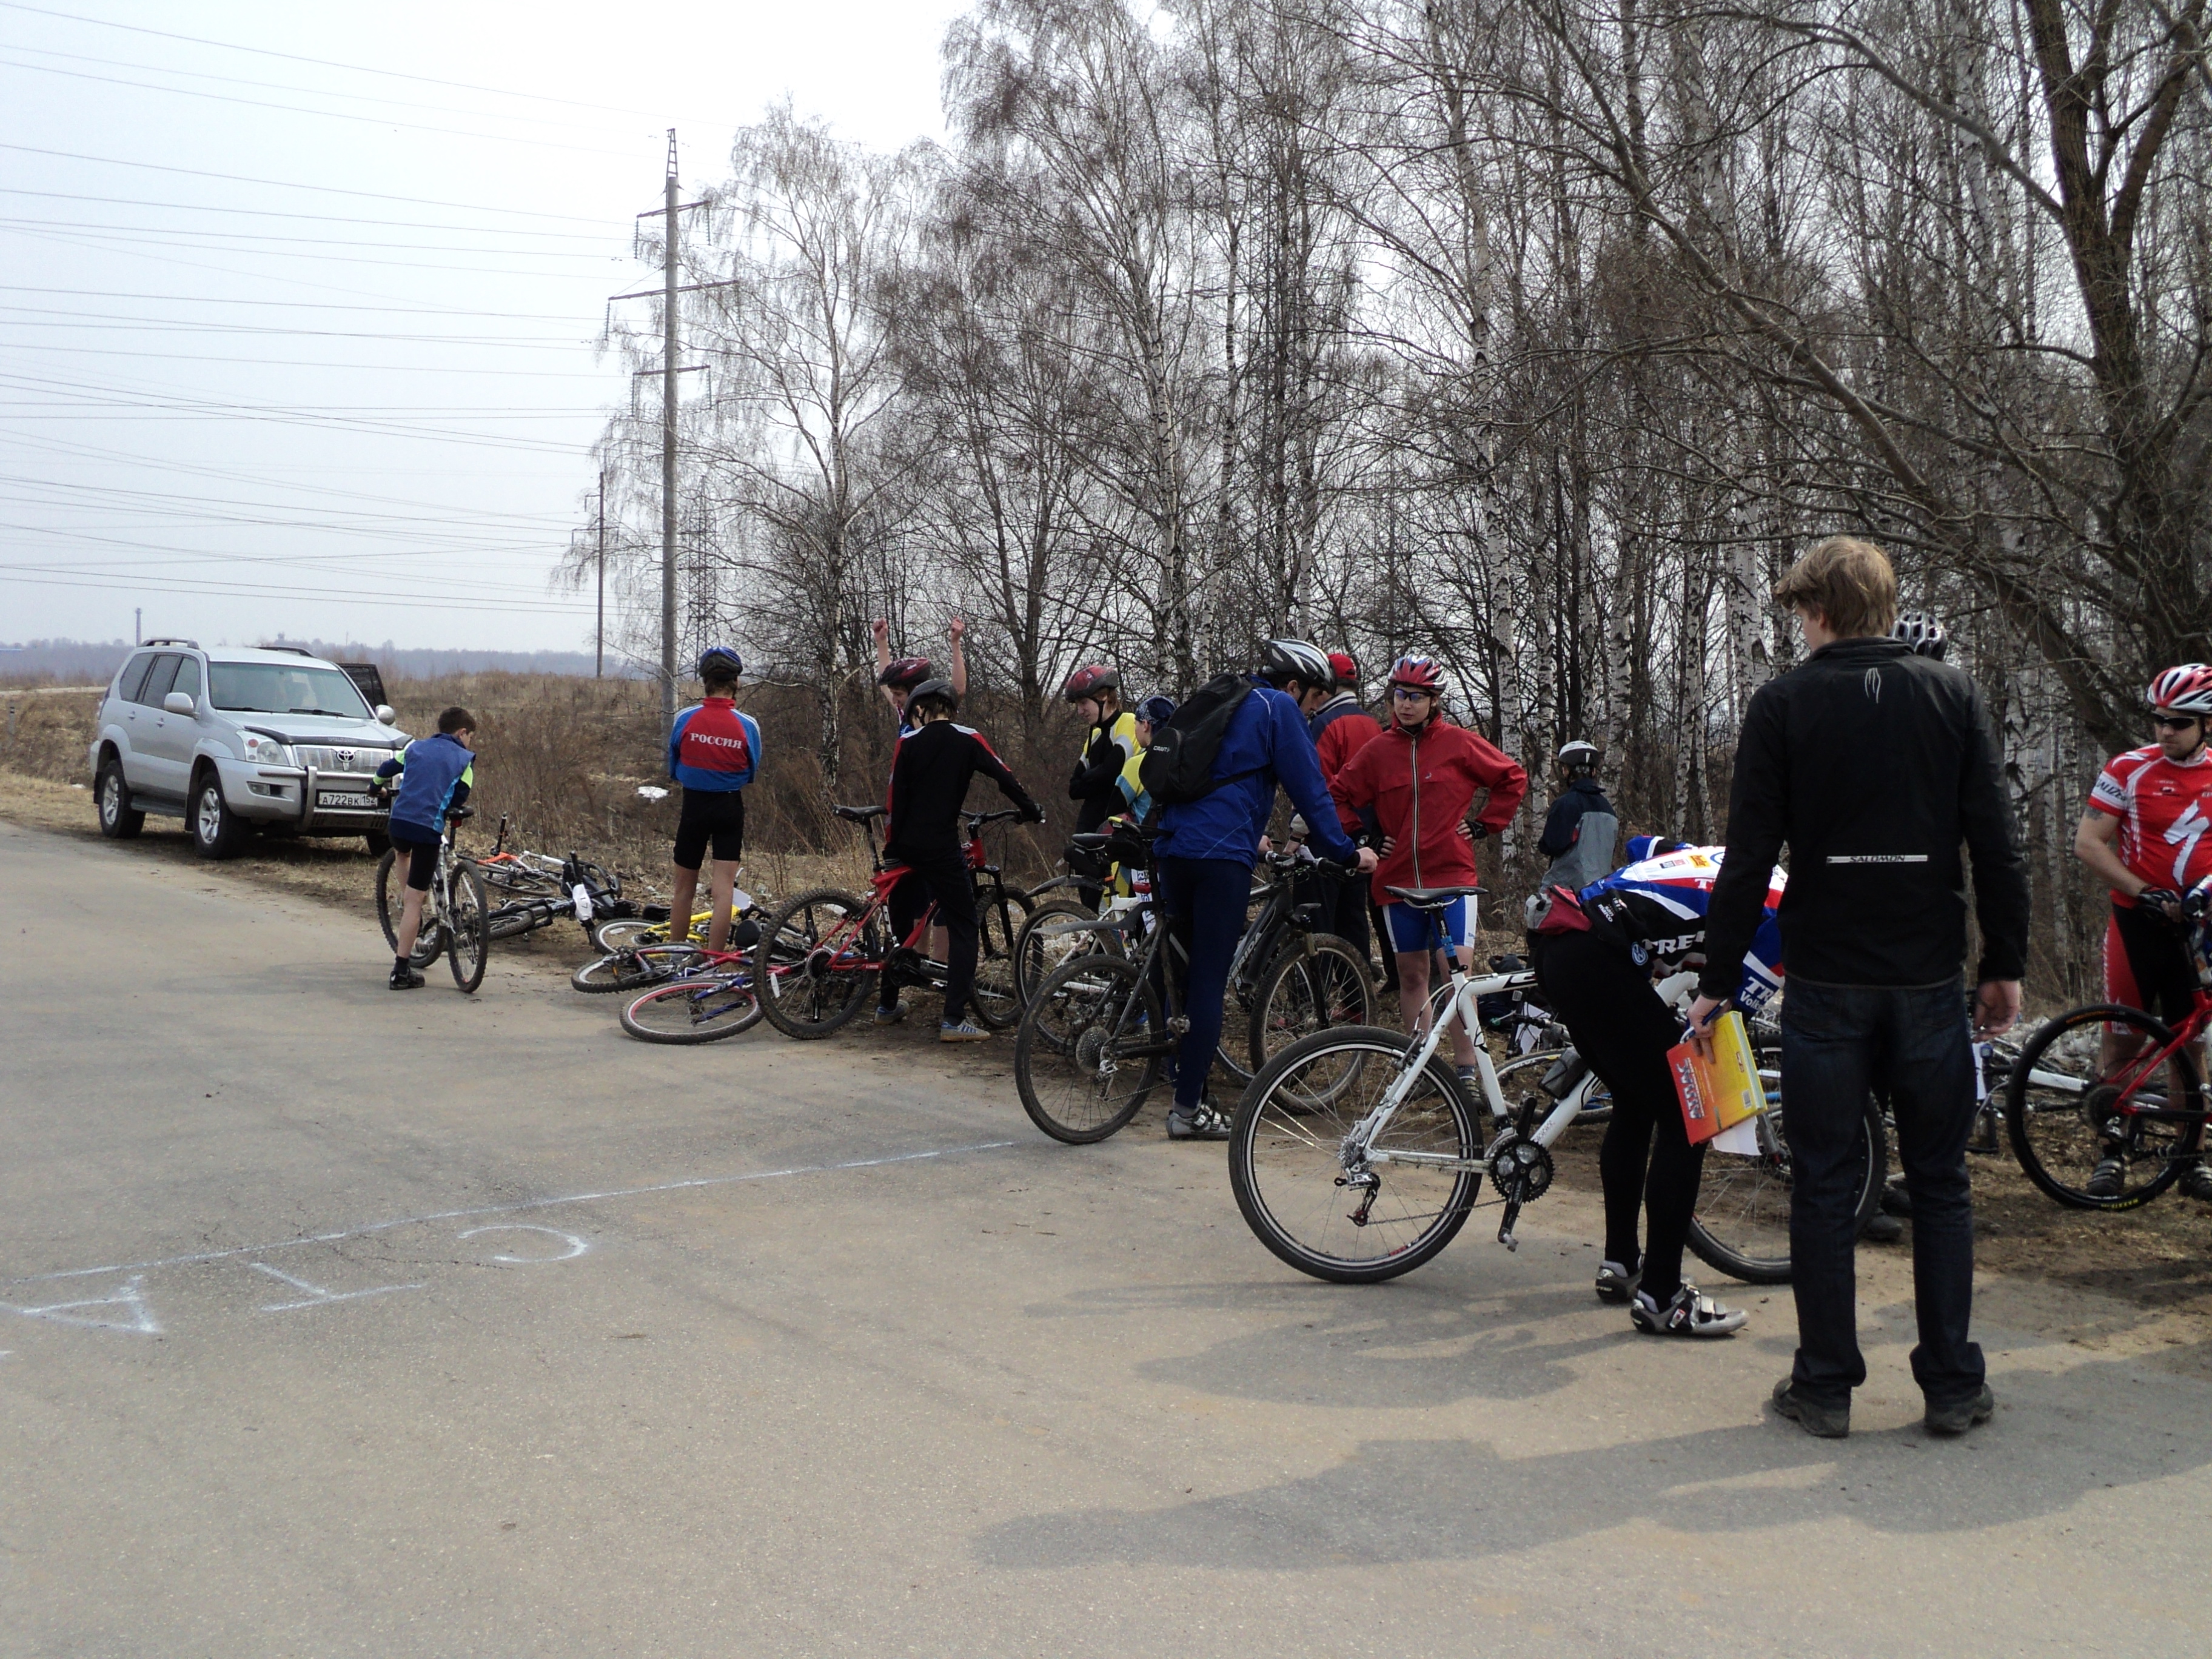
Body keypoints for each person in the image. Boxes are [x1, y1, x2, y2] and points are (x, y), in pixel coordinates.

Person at [1691, 535, 2028, 1440]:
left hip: (1829, 979)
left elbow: (1747, 858)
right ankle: (1952, 1385)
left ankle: (1826, 1386)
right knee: (1942, 1182)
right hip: (1927, 974)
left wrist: (1716, 979)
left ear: (1820, 612)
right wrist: (2003, 963)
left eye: (1802, 612)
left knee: (1825, 1183)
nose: (1800, 627)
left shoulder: (1783, 703)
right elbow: (1996, 845)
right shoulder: (1951, 694)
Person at [1536, 843, 1784, 1336]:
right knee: (1687, 1113)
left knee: (1635, 1103)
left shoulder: (1749, 867)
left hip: (1562, 941)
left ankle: (1621, 1264)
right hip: (1596, 957)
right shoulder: (1789, 916)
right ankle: (1663, 1299)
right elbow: (1723, 1016)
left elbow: (1645, 847)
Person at [1150, 638, 1376, 1138]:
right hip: (1219, 857)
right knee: (1209, 978)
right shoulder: (1277, 707)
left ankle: (1176, 1074)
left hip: (1173, 846)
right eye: (1314, 700)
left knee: (1181, 969)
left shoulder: (1223, 697)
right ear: (1294, 686)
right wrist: (1345, 853)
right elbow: (1311, 791)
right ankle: (1187, 1112)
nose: (1313, 711)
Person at [1329, 655, 1527, 1085]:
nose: (1406, 704)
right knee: (1412, 974)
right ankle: (1419, 1069)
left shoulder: (1460, 743)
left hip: (1452, 876)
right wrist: (1361, 837)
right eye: (1399, 695)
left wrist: (1484, 824)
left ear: (1434, 701)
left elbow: (1512, 778)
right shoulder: (1378, 750)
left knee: (1457, 974)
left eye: (1416, 697)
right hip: (1397, 880)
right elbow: (1337, 794)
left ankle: (1467, 1070)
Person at [2072, 663, 2212, 1201]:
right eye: (2158, 719)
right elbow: (2088, 843)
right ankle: (2112, 1153)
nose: (2165, 730)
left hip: (2196, 932)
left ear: (2206, 725)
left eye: (2179, 722)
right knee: (2123, 1037)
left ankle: (2191, 1157)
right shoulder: (2128, 768)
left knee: (2189, 1046)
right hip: (2136, 923)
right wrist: (2142, 889)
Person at [882, 679, 1044, 1041]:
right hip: (941, 848)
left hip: (905, 846)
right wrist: (1030, 808)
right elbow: (1004, 776)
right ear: (951, 708)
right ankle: (954, 1020)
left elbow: (895, 798)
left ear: (921, 709)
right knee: (965, 926)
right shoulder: (968, 738)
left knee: (902, 928)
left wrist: (892, 848)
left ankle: (887, 1006)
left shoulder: (907, 742)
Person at [665, 646, 761, 955]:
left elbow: (673, 766)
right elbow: (751, 771)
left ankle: (676, 955)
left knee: (684, 888)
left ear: (705, 681)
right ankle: (715, 960)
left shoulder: (685, 718)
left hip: (694, 804)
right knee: (723, 891)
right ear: (736, 682)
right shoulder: (748, 725)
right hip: (729, 805)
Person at [374, 706, 477, 990]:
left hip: (399, 824)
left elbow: (385, 771)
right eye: (471, 737)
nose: (470, 743)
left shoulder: (415, 747)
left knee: (402, 852)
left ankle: (406, 896)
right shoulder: (464, 759)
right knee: (415, 902)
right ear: (462, 732)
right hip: (427, 828)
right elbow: (460, 796)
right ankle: (400, 972)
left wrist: (375, 787)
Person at [1308, 650, 1384, 968]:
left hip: (1327, 835)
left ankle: (1315, 991)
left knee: (1316, 918)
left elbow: (1315, 787)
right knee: (1353, 919)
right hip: (1363, 838)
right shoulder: (1373, 724)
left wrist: (1298, 834)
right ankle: (1356, 989)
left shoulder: (1324, 724)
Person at [1064, 665, 1140, 907]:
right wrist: (1098, 776)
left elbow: (1113, 770)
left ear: (1104, 696)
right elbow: (1074, 788)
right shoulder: (1095, 736)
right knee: (1088, 907)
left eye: (1083, 703)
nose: (1080, 711)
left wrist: (1092, 777)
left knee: (1108, 907)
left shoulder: (1127, 722)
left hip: (1113, 831)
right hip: (1087, 831)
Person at [1532, 740, 1618, 906]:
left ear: (1567, 771)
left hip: (1566, 894)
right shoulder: (1609, 810)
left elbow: (1552, 845)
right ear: (1593, 771)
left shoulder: (1566, 804)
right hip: (1599, 895)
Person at [872, 614, 967, 722]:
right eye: (893, 694)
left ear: (915, 691)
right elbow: (885, 686)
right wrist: (881, 641)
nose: (894, 701)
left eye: (898, 694)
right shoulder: (904, 712)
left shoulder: (935, 713)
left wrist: (955, 642)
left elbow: (958, 691)